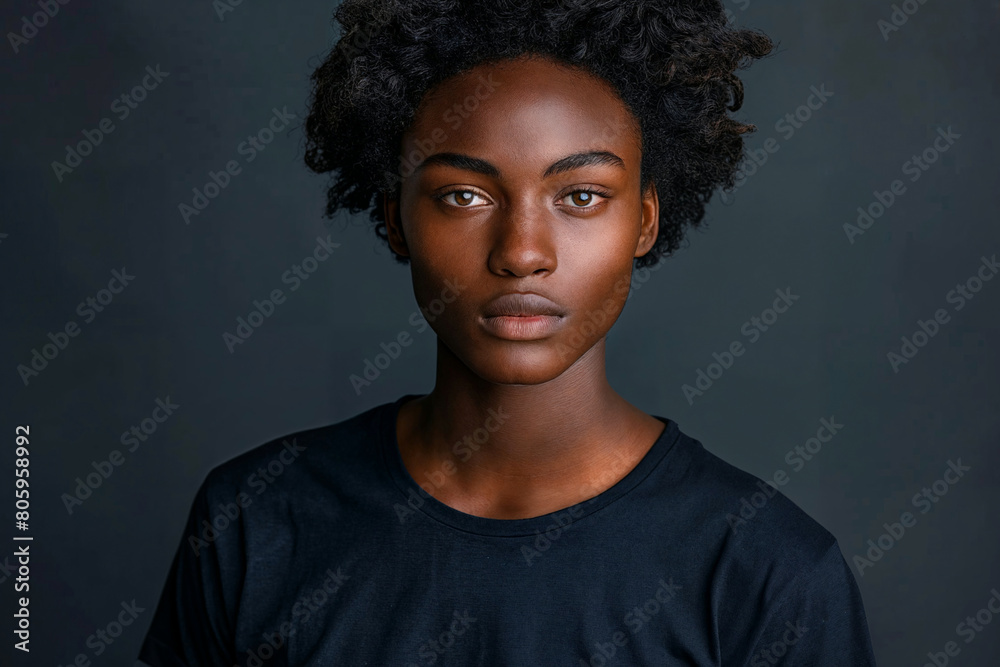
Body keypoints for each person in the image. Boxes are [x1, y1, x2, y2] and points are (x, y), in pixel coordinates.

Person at [139, 1, 878, 664]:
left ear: (645, 219)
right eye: (463, 195)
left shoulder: (768, 573)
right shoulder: (257, 522)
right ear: (395, 217)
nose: (522, 251)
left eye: (581, 195)